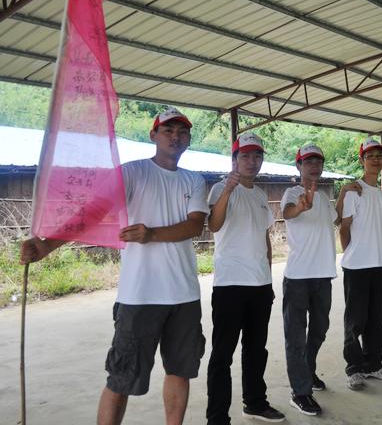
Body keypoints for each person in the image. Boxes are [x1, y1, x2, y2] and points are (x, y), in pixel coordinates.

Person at [21, 108, 208, 425]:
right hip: (139, 295)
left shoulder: (194, 180)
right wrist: (47, 245)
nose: (175, 137)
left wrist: (151, 234)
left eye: (182, 132)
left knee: (180, 371)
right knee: (121, 377)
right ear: (153, 135)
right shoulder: (131, 173)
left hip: (184, 294)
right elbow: (92, 212)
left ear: (189, 139)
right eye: (168, 130)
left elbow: (194, 226)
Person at [206, 132, 285, 424]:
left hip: (259, 285)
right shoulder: (220, 188)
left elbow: (264, 237)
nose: (252, 161)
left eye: (257, 156)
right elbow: (214, 225)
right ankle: (217, 417)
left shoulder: (261, 195)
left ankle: (255, 403)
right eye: (245, 156)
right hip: (230, 284)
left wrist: (268, 279)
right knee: (222, 354)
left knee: (256, 350)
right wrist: (228, 190)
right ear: (235, 160)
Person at [280, 144, 337, 416]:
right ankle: (299, 392)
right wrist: (301, 207)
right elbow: (287, 212)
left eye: (318, 162)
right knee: (296, 337)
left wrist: (347, 193)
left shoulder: (324, 198)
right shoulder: (292, 193)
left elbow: (339, 220)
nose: (314, 166)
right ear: (299, 166)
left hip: (323, 275)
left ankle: (307, 371)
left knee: (319, 330)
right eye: (308, 162)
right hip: (298, 278)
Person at [336, 138, 382, 391]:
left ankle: (373, 364)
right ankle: (354, 368)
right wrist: (352, 252)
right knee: (355, 321)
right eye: (370, 156)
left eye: (379, 156)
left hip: (379, 264)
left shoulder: (379, 193)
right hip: (357, 266)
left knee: (375, 320)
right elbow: (344, 227)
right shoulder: (354, 190)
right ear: (362, 160)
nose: (375, 160)